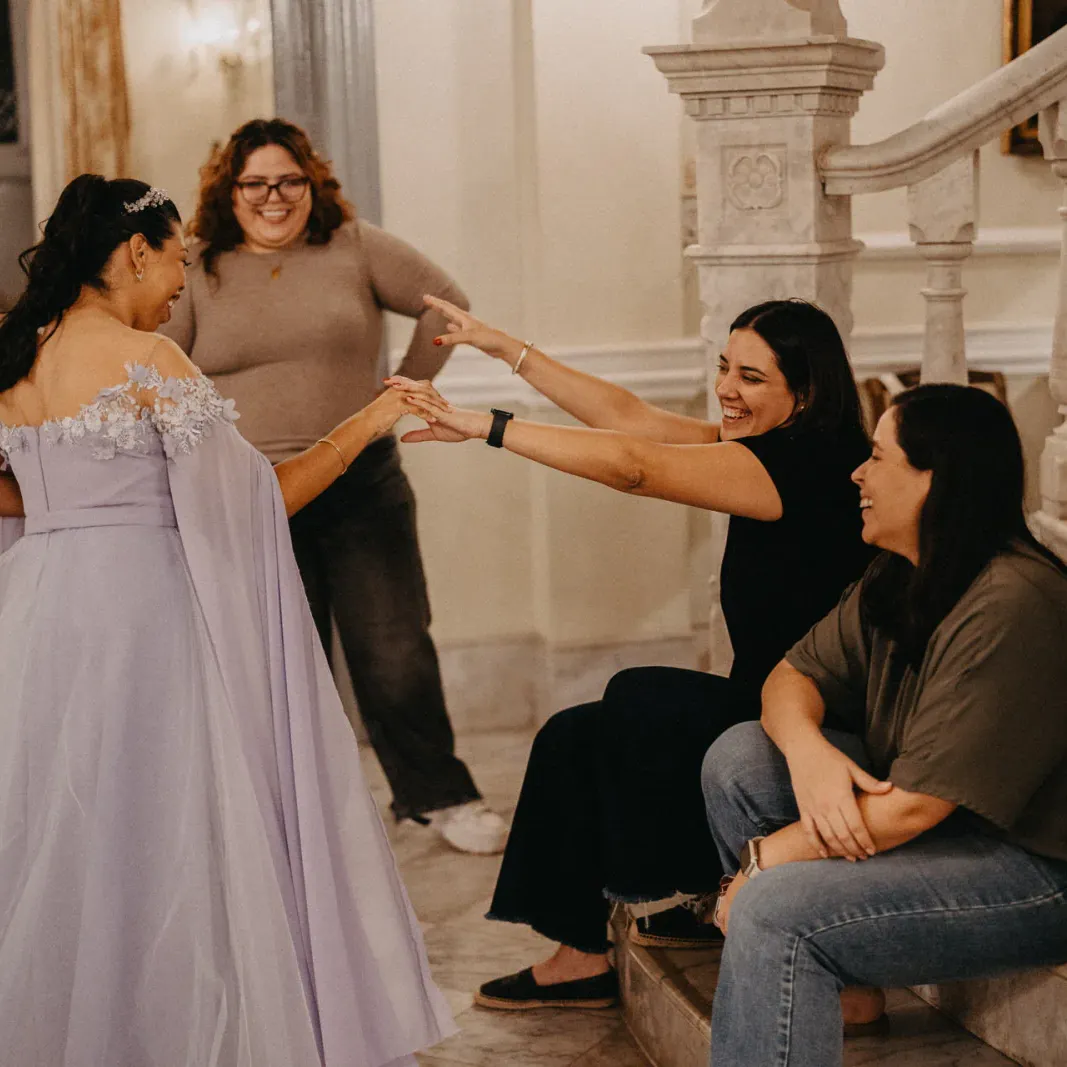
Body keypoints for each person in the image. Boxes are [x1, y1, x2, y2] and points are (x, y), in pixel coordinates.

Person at [0, 174, 457, 1065]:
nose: (180, 286)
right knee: (162, 832)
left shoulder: (19, 354)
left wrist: (58, 505)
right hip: (143, 615)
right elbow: (265, 498)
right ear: (136, 250)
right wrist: (376, 415)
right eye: (175, 261)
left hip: (40, 612)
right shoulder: (149, 360)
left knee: (62, 834)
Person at [385, 296, 876, 1010]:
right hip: (764, 701)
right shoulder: (775, 449)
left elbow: (634, 465)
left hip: (811, 716)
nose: (726, 389)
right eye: (722, 367)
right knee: (573, 735)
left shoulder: (803, 466)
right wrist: (505, 350)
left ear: (804, 389)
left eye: (751, 377)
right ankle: (580, 954)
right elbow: (631, 420)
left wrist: (485, 426)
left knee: (638, 699)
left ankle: (704, 891)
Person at [159, 118, 507, 854]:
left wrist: (407, 387)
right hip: (249, 492)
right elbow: (160, 367)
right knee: (284, 656)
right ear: (231, 190)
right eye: (255, 182)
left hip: (359, 481)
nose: (274, 196)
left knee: (393, 647)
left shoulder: (352, 245)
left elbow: (446, 301)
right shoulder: (197, 266)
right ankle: (302, 812)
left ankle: (434, 798)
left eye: (289, 180)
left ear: (311, 184)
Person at [702, 384, 1067, 1067]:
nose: (857, 474)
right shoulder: (898, 573)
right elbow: (787, 679)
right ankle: (843, 996)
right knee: (740, 757)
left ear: (937, 478)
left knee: (773, 909)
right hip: (946, 823)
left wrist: (761, 862)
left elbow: (915, 808)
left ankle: (802, 953)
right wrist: (809, 755)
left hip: (1039, 872)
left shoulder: (1013, 602)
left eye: (877, 456)